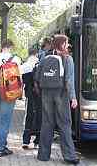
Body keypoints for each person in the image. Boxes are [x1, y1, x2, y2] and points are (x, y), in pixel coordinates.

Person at [37, 34, 80, 165]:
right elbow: (69, 80)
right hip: (61, 94)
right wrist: (73, 97)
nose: (68, 45)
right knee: (65, 124)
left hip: (46, 93)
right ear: (62, 44)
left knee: (47, 123)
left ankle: (43, 155)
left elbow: (38, 76)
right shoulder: (68, 59)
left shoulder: (45, 57)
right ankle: (69, 156)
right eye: (66, 43)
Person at [0, 39, 21, 157]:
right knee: (5, 119)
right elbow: (19, 77)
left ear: (2, 47)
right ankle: (0, 147)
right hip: (8, 91)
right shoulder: (16, 59)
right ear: (11, 47)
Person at [21, 48, 41, 149]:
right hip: (39, 93)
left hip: (29, 93)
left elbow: (21, 81)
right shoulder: (40, 62)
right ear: (36, 53)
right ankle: (37, 141)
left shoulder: (25, 65)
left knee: (29, 115)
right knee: (39, 115)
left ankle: (26, 140)